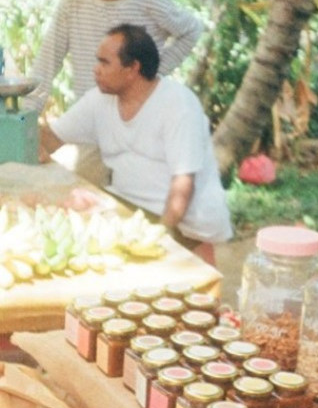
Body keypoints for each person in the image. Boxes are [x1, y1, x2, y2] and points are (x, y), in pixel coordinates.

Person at [28, 0, 203, 184]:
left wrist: (149, 73)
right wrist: (27, 116)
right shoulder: (74, 1)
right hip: (88, 127)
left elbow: (192, 29)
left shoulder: (149, 4)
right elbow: (47, 61)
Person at [39, 24, 232, 256]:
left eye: (104, 62)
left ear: (132, 68)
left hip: (185, 228)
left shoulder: (178, 105)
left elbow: (183, 185)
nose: (95, 70)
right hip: (128, 214)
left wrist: (162, 237)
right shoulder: (98, 100)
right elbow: (50, 138)